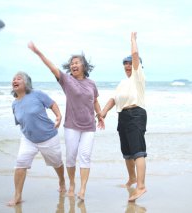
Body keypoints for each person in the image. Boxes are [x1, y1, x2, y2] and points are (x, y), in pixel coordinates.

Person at [28, 42, 104, 201]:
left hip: (89, 126)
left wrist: (100, 115)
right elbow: (52, 67)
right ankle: (71, 184)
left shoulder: (91, 84)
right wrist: (38, 52)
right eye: (72, 63)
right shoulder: (66, 80)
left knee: (85, 156)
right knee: (70, 157)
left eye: (77, 62)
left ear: (84, 66)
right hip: (72, 126)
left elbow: (95, 100)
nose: (74, 65)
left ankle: (82, 189)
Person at [99, 32, 147, 202]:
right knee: (127, 152)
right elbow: (113, 99)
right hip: (123, 116)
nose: (128, 66)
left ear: (137, 65)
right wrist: (103, 112)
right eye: (125, 64)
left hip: (136, 114)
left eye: (130, 63)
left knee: (138, 151)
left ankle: (141, 186)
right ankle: (132, 179)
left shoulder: (138, 76)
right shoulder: (122, 83)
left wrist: (133, 39)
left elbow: (135, 55)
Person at [7, 71, 65, 206]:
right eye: (13, 79)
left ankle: (62, 180)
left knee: (56, 162)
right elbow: (21, 121)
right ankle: (17, 196)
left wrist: (58, 116)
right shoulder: (14, 104)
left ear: (26, 83)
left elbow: (52, 104)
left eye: (18, 79)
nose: (15, 81)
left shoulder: (37, 94)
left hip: (48, 137)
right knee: (20, 164)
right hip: (28, 139)